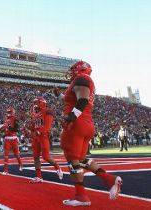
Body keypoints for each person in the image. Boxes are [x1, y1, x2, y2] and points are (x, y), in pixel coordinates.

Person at [52, 61, 122, 206]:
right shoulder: (83, 82)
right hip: (86, 124)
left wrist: (71, 117)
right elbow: (71, 101)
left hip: (77, 124)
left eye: (73, 69)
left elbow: (82, 99)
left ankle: (81, 196)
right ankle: (109, 179)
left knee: (72, 160)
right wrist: (59, 95)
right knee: (81, 159)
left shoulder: (82, 79)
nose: (70, 72)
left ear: (80, 69)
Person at [27, 97, 63, 183]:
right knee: (35, 157)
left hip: (43, 136)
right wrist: (29, 125)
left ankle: (57, 167)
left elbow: (47, 126)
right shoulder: (33, 114)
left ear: (42, 103)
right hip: (36, 137)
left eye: (37, 102)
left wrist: (38, 132)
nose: (35, 104)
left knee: (46, 157)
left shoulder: (47, 111)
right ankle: (39, 177)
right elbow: (32, 128)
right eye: (35, 102)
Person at [0, 108, 23, 175]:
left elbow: (17, 129)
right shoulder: (5, 119)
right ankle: (5, 170)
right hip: (7, 138)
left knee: (16, 154)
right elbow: (5, 128)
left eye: (10, 112)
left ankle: (20, 164)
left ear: (13, 112)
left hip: (13, 137)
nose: (9, 113)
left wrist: (9, 127)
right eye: (8, 112)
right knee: (6, 154)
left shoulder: (15, 118)